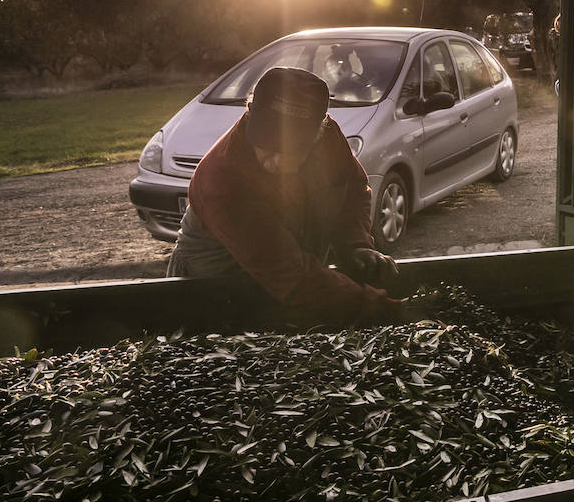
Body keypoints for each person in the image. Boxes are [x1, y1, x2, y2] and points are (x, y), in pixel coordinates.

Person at [168, 66, 407, 330]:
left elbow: (351, 191)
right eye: (264, 143)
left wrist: (356, 245)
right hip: (216, 285)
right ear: (250, 112)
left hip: (290, 274)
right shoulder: (223, 178)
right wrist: (380, 308)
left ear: (319, 131)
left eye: (291, 149)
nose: (275, 160)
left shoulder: (329, 137)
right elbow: (291, 277)